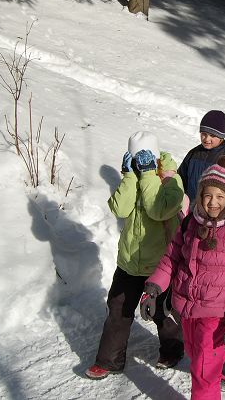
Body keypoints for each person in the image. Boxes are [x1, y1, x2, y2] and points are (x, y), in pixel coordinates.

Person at [142, 157, 225, 399]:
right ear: (200, 195)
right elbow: (171, 259)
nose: (213, 202)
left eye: (220, 197)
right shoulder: (190, 224)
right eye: (208, 195)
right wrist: (153, 288)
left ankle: (213, 376)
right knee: (196, 355)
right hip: (186, 308)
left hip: (216, 312)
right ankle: (223, 363)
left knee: (203, 371)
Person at [85, 131, 185, 379]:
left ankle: (172, 350)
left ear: (154, 155)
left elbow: (158, 210)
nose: (139, 162)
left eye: (143, 156)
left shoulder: (171, 179)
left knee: (162, 311)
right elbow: (120, 208)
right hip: (130, 261)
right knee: (118, 308)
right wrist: (129, 176)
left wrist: (150, 174)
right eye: (134, 157)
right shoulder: (135, 177)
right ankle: (109, 361)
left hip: (160, 263)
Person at [178, 110, 225, 210]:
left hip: (216, 214)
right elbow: (180, 180)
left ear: (221, 137)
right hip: (191, 212)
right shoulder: (193, 154)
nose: (206, 139)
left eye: (212, 135)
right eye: (204, 134)